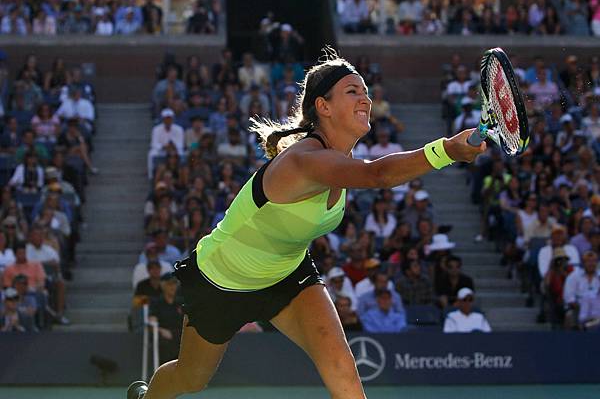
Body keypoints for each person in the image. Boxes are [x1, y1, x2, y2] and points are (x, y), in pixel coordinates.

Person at [128, 51, 484, 399]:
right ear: (323, 107)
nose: (366, 99)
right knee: (190, 378)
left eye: (365, 91)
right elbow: (379, 174)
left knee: (339, 361)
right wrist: (447, 151)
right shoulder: (303, 161)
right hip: (222, 280)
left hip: (287, 274)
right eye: (353, 91)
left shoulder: (340, 162)